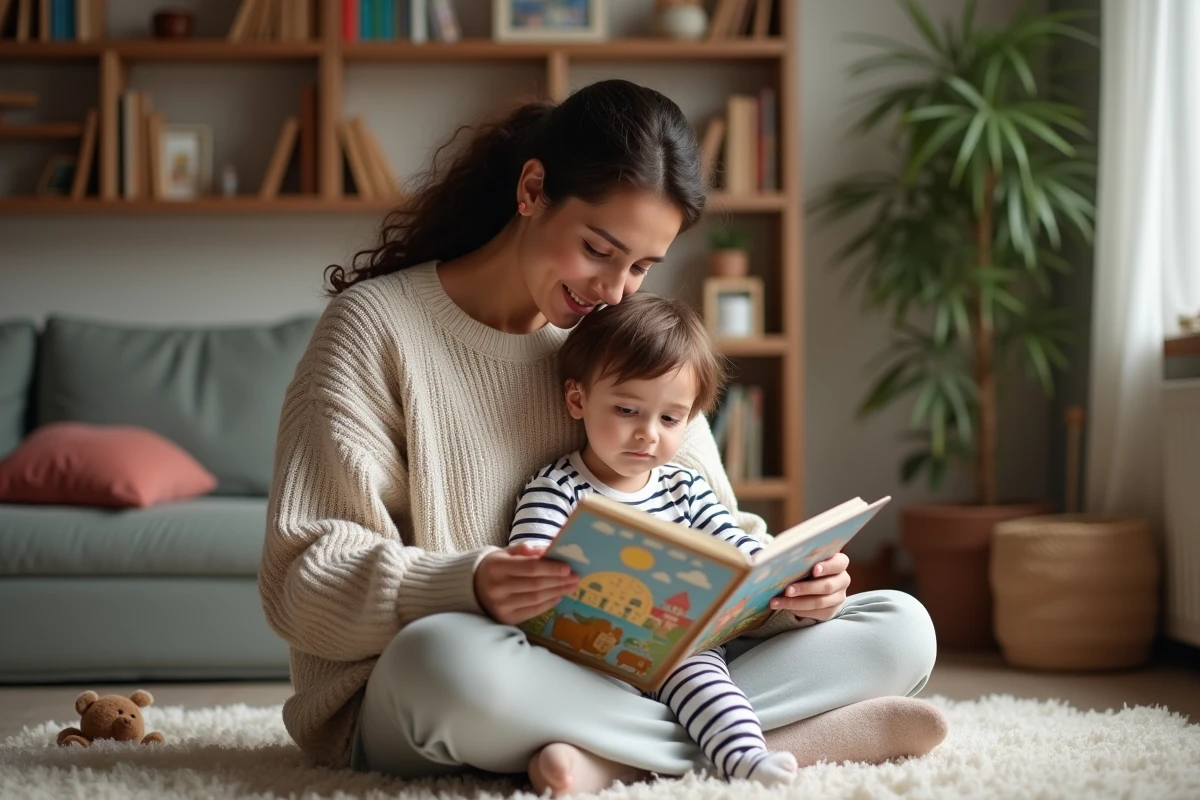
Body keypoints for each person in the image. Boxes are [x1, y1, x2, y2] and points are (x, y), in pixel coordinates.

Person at [258, 78, 947, 798]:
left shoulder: (621, 339)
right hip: (454, 685)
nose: (616, 291)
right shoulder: (374, 329)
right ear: (532, 190)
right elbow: (300, 580)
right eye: (598, 249)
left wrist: (791, 593)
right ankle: (768, 742)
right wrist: (469, 585)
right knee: (441, 658)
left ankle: (606, 763)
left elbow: (712, 540)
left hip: (642, 676)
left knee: (900, 624)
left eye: (642, 267)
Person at [510, 292, 800, 786]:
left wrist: (777, 569)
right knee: (557, 689)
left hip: (677, 647)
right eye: (627, 410)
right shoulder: (558, 487)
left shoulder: (685, 488)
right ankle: (587, 757)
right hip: (585, 650)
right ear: (578, 400)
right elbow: (528, 559)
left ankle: (743, 756)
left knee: (703, 677)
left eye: (669, 419)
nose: (648, 433)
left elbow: (738, 546)